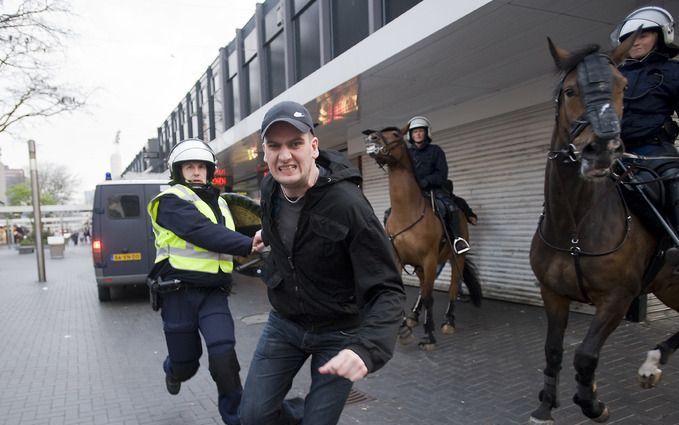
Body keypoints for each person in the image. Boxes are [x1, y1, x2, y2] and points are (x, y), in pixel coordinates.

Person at [240, 101, 405, 425]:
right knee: (253, 417)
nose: (284, 155)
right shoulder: (271, 187)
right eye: (274, 146)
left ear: (313, 147)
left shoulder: (349, 205)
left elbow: (388, 289)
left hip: (339, 331)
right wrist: (268, 234)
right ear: (264, 153)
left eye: (295, 144)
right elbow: (293, 230)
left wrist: (367, 348)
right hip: (285, 323)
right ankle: (306, 409)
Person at [146, 138, 255, 425]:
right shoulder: (168, 202)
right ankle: (173, 370)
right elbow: (201, 232)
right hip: (178, 294)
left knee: (224, 354)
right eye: (189, 167)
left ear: (209, 171)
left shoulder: (221, 202)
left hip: (213, 293)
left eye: (201, 167)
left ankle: (235, 417)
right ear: (178, 171)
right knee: (186, 365)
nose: (196, 172)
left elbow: (249, 226)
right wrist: (249, 244)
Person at [611, 6, 679, 265]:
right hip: (616, 151)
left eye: (644, 36)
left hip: (655, 152)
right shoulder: (616, 75)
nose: (636, 42)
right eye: (630, 39)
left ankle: (674, 243)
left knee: (675, 181)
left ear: (660, 36)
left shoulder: (674, 72)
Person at [406, 116, 471, 253]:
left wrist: (427, 181)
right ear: (410, 135)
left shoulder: (436, 151)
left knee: (450, 207)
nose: (418, 134)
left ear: (426, 133)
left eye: (420, 131)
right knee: (391, 211)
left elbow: (442, 174)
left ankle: (457, 240)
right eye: (415, 132)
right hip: (413, 192)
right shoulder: (408, 154)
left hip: (433, 190)